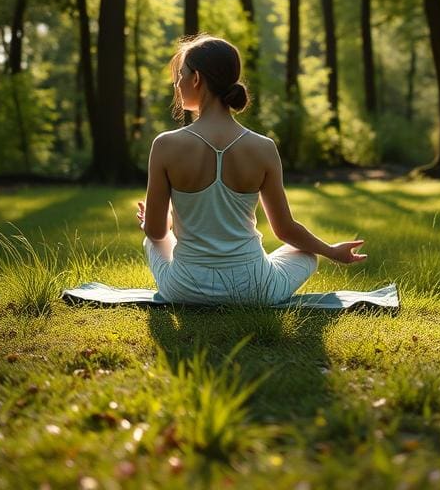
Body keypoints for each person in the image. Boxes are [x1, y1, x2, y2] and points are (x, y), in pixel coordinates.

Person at [136, 34, 367, 305]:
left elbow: (155, 233)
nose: (177, 83)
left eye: (181, 75)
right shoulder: (263, 147)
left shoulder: (165, 145)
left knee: (151, 243)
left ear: (196, 79)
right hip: (254, 289)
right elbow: (285, 230)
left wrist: (159, 220)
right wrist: (331, 251)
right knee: (306, 254)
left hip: (185, 289)